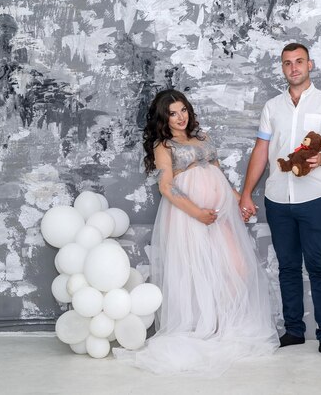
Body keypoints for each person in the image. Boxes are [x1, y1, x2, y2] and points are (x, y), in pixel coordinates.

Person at [114, 89, 279, 375]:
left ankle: (227, 322)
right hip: (189, 217)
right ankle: (208, 325)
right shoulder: (163, 146)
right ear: (164, 118)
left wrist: (238, 199)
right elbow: (167, 187)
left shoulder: (201, 138)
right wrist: (197, 212)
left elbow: (217, 173)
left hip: (219, 213)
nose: (180, 117)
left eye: (183, 110)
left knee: (236, 266)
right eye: (173, 113)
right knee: (200, 269)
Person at [239, 43, 321, 359]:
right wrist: (247, 192)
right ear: (282, 68)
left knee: (319, 267)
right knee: (288, 267)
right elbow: (261, 151)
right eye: (288, 63)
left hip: (316, 199)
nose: (294, 67)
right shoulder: (272, 107)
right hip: (277, 200)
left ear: (310, 65)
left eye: (299, 61)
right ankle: (293, 331)